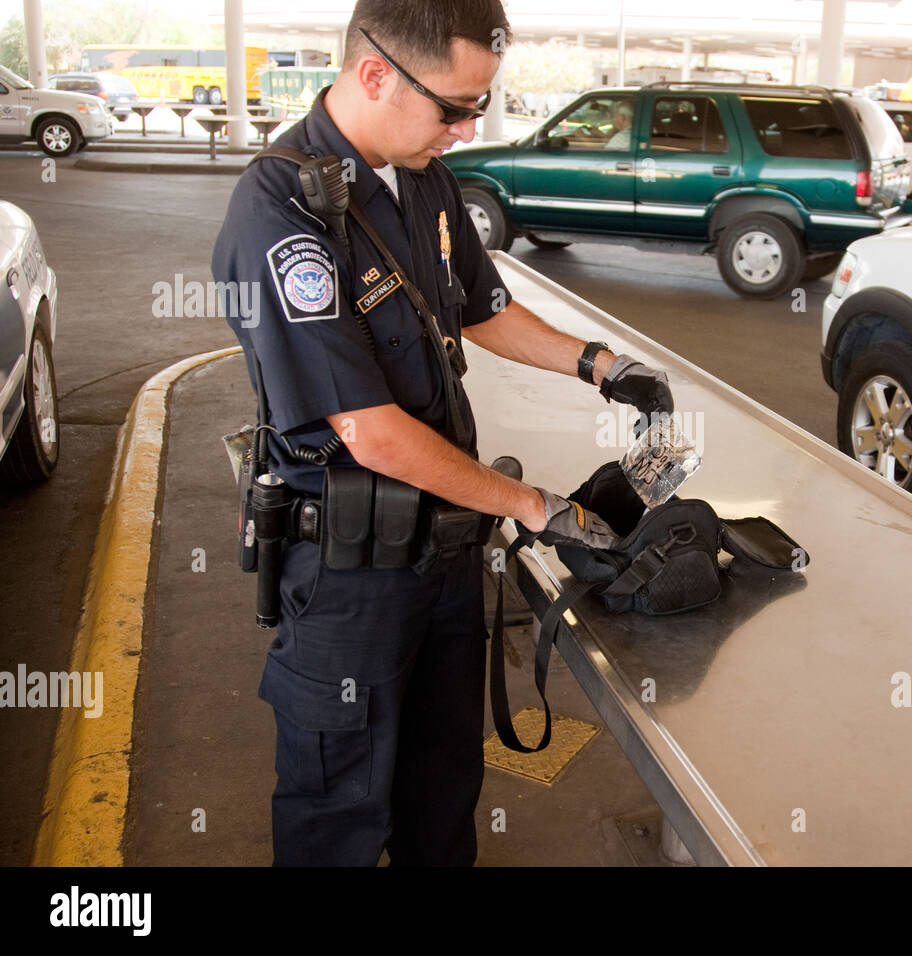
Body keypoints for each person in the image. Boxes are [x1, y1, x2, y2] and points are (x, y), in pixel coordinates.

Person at [210, 0, 673, 866]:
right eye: (454, 108)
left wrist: (601, 364)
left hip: (447, 559)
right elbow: (372, 433)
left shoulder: (421, 175)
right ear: (375, 73)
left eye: (480, 108)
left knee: (443, 795)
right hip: (352, 577)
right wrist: (533, 505)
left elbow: (480, 306)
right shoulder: (282, 211)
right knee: (337, 821)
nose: (466, 131)